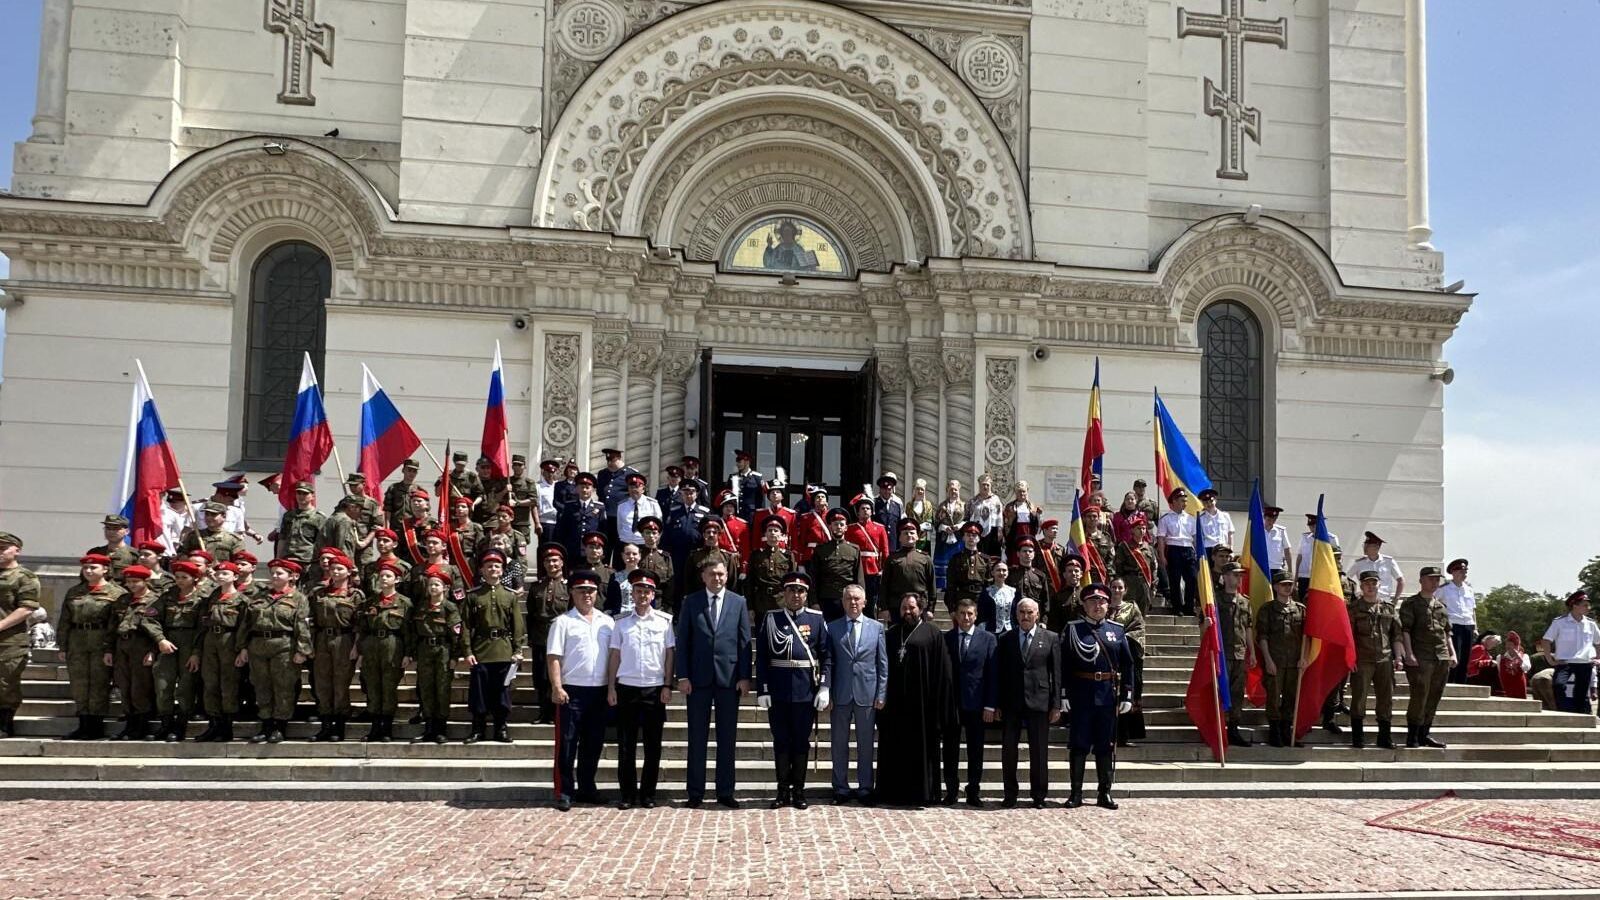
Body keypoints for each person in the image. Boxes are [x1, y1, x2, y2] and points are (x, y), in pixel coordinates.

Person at [674, 558, 752, 808]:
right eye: (712, 574)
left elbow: (744, 642)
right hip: (697, 681)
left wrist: (744, 676)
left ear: (727, 576)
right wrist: (682, 676)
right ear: (704, 577)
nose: (717, 578)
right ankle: (695, 792)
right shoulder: (691, 601)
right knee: (697, 738)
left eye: (720, 574)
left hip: (729, 680)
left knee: (727, 738)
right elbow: (683, 640)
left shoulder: (738, 602)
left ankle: (725, 791)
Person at [755, 571, 829, 809]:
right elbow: (764, 656)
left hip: (805, 691)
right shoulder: (771, 618)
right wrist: (763, 689)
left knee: (800, 742)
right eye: (791, 590)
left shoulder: (817, 619)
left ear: (806, 595)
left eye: (801, 591)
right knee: (781, 741)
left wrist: (824, 687)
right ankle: (781, 790)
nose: (796, 595)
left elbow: (826, 656)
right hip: (778, 690)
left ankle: (799, 790)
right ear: (783, 593)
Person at [876, 591, 956, 807]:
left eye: (911, 608)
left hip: (923, 706)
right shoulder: (892, 634)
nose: (907, 612)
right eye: (904, 608)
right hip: (895, 705)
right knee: (894, 749)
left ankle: (922, 794)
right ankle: (893, 793)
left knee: (921, 751)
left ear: (920, 609)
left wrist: (940, 705)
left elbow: (943, 673)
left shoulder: (933, 634)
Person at [1061, 584, 1136, 809]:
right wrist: (1063, 693)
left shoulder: (1116, 630)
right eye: (1092, 601)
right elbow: (1064, 664)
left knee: (1106, 745)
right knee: (1079, 744)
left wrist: (1127, 695)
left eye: (1102, 601)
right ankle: (1076, 793)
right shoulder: (1073, 629)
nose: (1098, 605)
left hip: (1107, 696)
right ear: (1084, 605)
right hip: (1081, 694)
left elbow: (1128, 664)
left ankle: (1104, 792)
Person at [547, 569, 615, 811]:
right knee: (567, 743)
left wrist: (611, 687)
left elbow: (613, 658)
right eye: (581, 590)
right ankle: (565, 790)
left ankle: (587, 787)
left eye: (591, 590)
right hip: (571, 691)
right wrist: (557, 686)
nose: (587, 594)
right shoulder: (563, 622)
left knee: (593, 743)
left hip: (598, 691)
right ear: (572, 593)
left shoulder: (607, 622)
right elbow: (554, 657)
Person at [607, 571, 674, 809]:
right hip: (627, 688)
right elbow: (615, 655)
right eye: (638, 591)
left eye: (647, 591)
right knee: (626, 746)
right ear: (632, 594)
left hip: (654, 690)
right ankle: (627, 794)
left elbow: (669, 656)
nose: (643, 595)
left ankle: (648, 794)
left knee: (652, 746)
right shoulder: (621, 623)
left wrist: (667, 685)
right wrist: (611, 686)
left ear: (653, 595)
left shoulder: (664, 622)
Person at [823, 584, 887, 805]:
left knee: (866, 744)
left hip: (867, 694)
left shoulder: (876, 628)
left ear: (865, 602)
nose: (853, 602)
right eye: (849, 598)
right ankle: (840, 788)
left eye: (857, 599)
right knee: (839, 743)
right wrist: (827, 691)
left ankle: (865, 788)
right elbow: (827, 663)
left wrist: (881, 693)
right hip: (840, 694)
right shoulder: (831, 627)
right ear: (842, 602)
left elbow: (882, 664)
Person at [996, 597, 1060, 808]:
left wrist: (1057, 704)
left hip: (1039, 701)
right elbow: (1001, 673)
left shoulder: (1050, 638)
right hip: (1012, 701)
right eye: (1022, 612)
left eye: (1029, 613)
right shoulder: (1006, 639)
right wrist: (997, 703)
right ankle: (1010, 794)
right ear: (1016, 614)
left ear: (1037, 614)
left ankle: (1039, 794)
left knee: (1039, 751)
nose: (1025, 616)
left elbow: (1056, 674)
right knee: (1009, 751)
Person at [238, 559, 311, 744]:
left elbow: (302, 626)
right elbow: (246, 624)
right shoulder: (259, 596)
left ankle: (280, 725)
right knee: (261, 685)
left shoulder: (298, 598)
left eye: (280, 573)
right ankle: (266, 724)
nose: (275, 576)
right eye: (273, 573)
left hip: (284, 645)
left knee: (283, 685)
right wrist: (242, 647)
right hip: (258, 645)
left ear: (291, 577)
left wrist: (302, 650)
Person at [59, 553, 126, 739]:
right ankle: (83, 723)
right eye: (86, 568)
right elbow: (65, 620)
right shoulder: (74, 591)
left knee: (99, 683)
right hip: (77, 640)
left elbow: (116, 624)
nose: (88, 571)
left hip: (101, 640)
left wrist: (110, 649)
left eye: (93, 567)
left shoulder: (116, 593)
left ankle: (96, 725)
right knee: (79, 683)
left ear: (105, 569)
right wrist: (63, 646)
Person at [461, 552, 526, 744]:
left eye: (497, 566)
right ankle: (478, 729)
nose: (493, 569)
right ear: (482, 570)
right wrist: (467, 651)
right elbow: (465, 625)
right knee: (479, 692)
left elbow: (517, 625)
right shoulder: (473, 595)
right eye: (488, 566)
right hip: (480, 650)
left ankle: (501, 728)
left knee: (502, 692)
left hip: (504, 650)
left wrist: (518, 649)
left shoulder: (510, 596)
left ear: (502, 570)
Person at [942, 597, 997, 806]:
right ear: (955, 615)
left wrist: (990, 705)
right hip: (953, 704)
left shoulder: (988, 639)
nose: (966, 617)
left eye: (970, 614)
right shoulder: (946, 639)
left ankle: (973, 790)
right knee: (950, 749)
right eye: (962, 613)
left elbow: (992, 674)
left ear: (976, 616)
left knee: (976, 750)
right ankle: (951, 790)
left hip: (977, 704)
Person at [306, 551, 363, 742]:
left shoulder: (355, 595)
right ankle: (325, 724)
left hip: (344, 640)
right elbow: (311, 620)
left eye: (340, 569)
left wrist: (357, 646)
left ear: (348, 572)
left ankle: (339, 726)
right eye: (333, 569)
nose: (336, 571)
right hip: (322, 639)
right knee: (322, 683)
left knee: (340, 684)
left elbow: (359, 624)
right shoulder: (318, 593)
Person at [191, 561, 249, 742]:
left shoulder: (242, 600)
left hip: (229, 641)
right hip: (210, 641)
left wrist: (242, 649)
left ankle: (226, 726)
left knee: (228, 684)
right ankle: (214, 723)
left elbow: (245, 627)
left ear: (235, 577)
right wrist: (196, 651)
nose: (220, 576)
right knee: (210, 683)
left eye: (225, 573)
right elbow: (201, 627)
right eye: (218, 573)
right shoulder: (210, 599)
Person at [407, 563, 464, 745]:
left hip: (443, 651)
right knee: (426, 689)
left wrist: (455, 656)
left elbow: (456, 634)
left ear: (446, 588)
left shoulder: (449, 608)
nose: (433, 588)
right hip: (425, 650)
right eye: (431, 584)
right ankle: (429, 727)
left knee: (441, 689)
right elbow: (414, 632)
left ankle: (441, 728)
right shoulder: (421, 607)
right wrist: (411, 653)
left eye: (437, 585)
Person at [1346, 570, 1403, 749]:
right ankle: (1358, 737)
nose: (1371, 587)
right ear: (1361, 586)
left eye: (1374, 583)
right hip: (1362, 659)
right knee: (1359, 698)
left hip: (1384, 659)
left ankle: (1384, 736)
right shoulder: (1354, 609)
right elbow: (1349, 637)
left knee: (1386, 699)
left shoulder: (1388, 608)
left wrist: (1399, 657)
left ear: (1379, 585)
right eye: (1367, 584)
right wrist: (1350, 659)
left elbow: (1396, 635)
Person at [1398, 565, 1454, 748]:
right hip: (1421, 656)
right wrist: (1409, 654)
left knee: (1434, 696)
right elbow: (1405, 630)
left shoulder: (1441, 606)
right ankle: (1412, 735)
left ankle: (1425, 733)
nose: (1434, 582)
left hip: (1441, 657)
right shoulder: (1411, 604)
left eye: (1437, 579)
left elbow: (1446, 633)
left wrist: (1452, 653)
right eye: (1430, 579)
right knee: (1419, 696)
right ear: (1421, 580)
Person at [152, 558, 204, 741]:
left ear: (194, 579)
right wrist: (160, 639)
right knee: (163, 685)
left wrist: (196, 653)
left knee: (186, 687)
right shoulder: (167, 596)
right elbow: (150, 619)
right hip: (168, 642)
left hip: (189, 644)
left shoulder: (202, 599)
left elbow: (202, 628)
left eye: (184, 577)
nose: (180, 580)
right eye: (178, 577)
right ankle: (165, 724)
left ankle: (180, 726)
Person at [111, 565, 164, 740]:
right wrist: (107, 650)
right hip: (122, 644)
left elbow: (159, 628)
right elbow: (112, 626)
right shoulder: (123, 600)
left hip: (142, 645)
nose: (131, 585)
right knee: (124, 685)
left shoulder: (155, 600)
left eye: (135, 581)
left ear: (146, 581)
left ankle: (142, 724)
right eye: (129, 582)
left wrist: (153, 651)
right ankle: (130, 723)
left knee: (140, 687)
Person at [0, 531, 42, 738]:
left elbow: (26, 607)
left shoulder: (25, 577)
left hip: (10, 641)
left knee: (5, 682)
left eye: (3, 548)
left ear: (16, 550)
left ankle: (4, 723)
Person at [1257, 569, 1305, 748]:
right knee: (1274, 698)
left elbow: (1306, 637)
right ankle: (1274, 731)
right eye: (1283, 585)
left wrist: (1304, 658)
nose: (1287, 588)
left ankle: (1287, 731)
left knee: (1291, 698)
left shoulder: (1300, 609)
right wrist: (1268, 660)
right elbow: (1262, 636)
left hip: (1294, 662)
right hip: (1275, 660)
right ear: (1276, 587)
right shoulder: (1267, 609)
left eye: (1290, 585)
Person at [526, 544, 570, 725]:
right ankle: (544, 712)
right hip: (541, 637)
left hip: (562, 638)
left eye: (555, 561)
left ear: (561, 563)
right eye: (548, 561)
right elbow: (530, 614)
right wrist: (530, 638)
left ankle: (558, 712)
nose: (551, 564)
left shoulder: (569, 586)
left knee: (560, 675)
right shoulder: (536, 587)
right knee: (542, 677)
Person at [1212, 562, 1254, 747]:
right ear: (1225, 576)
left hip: (1240, 653)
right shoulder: (1216, 599)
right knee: (1221, 692)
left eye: (1240, 575)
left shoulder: (1245, 601)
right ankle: (1218, 729)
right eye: (1235, 575)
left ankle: (1234, 729)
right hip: (1222, 653)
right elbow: (1207, 627)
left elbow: (1248, 628)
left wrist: (1251, 652)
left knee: (1237, 694)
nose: (1238, 578)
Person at [1539, 591, 1600, 716]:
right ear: (1575, 605)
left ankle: (1579, 719)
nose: (1588, 608)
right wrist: (1550, 660)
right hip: (1565, 662)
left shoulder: (1591, 624)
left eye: (1588, 605)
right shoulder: (1560, 622)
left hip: (1584, 663)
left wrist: (1598, 658)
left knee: (1581, 694)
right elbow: (1546, 641)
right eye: (1585, 605)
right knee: (1558, 686)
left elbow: (1598, 643)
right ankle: (1563, 712)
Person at [1106, 576, 1146, 747]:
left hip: (1127, 657)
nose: (1116, 590)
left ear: (1125, 590)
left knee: (1126, 696)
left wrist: (1121, 639)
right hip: (1107, 659)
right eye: (1113, 587)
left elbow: (1139, 629)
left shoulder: (1131, 608)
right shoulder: (1102, 607)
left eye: (1119, 587)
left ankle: (1124, 735)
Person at [808, 509, 863, 622]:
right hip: (825, 600)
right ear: (830, 527)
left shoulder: (854, 550)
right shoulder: (820, 550)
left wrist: (860, 600)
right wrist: (814, 602)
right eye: (835, 524)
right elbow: (814, 578)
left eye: (841, 524)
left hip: (847, 600)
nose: (838, 527)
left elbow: (859, 579)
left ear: (846, 528)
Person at [846, 496, 890, 616]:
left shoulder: (880, 528)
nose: (865, 510)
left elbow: (884, 551)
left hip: (873, 569)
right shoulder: (850, 529)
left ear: (872, 511)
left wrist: (883, 568)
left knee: (871, 601)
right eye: (862, 508)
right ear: (858, 512)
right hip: (857, 567)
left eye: (868, 508)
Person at [1156, 489, 1197, 616]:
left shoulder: (1191, 519)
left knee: (1192, 579)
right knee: (1175, 580)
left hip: (1188, 550)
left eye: (1185, 501)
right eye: (1181, 501)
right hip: (1174, 549)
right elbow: (1161, 539)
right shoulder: (1165, 519)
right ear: (1174, 501)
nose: (1184, 504)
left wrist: (1196, 553)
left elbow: (1195, 538)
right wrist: (1162, 556)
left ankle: (1189, 606)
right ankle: (1177, 607)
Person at [744, 518, 795, 621]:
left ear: (781, 535)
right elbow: (749, 583)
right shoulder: (756, 555)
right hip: (761, 603)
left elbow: (791, 582)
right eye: (770, 530)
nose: (773, 533)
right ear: (765, 534)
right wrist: (750, 607)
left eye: (776, 531)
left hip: (781, 603)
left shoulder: (787, 556)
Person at [883, 518, 935, 613]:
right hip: (896, 606)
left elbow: (932, 586)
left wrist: (931, 609)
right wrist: (884, 608)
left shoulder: (925, 558)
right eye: (905, 533)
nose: (909, 535)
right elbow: (884, 585)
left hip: (920, 605)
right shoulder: (892, 559)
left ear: (917, 537)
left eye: (912, 533)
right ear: (899, 538)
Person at [1438, 558, 1476, 683]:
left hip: (1468, 624)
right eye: (1461, 570)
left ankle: (1461, 683)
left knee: (1466, 658)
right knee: (1455, 656)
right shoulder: (1444, 588)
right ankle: (1450, 682)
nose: (1464, 573)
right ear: (1453, 572)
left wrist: (1475, 627)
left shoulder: (1469, 589)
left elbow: (1472, 610)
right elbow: (1435, 605)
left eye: (1465, 571)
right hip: (1453, 624)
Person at [271, 481, 325, 571]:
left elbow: (322, 543)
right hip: (288, 560)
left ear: (312, 496)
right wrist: (278, 560)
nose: (301, 496)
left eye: (305, 493)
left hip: (308, 562)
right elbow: (282, 539)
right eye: (299, 493)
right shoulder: (289, 515)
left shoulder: (319, 517)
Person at [942, 522, 992, 615]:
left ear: (978, 538)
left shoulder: (985, 559)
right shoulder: (956, 559)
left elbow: (989, 584)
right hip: (962, 598)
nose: (971, 538)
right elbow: (950, 585)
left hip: (980, 599)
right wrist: (952, 608)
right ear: (963, 538)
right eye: (968, 535)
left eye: (974, 535)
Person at [1114, 514, 1158, 613]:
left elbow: (1153, 567)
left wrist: (1154, 586)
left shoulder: (1149, 548)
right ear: (1132, 530)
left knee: (1143, 611)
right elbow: (1118, 567)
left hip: (1144, 582)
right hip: (1130, 581)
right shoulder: (1124, 546)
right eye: (1139, 528)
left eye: (1144, 528)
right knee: (1128, 611)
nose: (1142, 531)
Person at [615, 472, 662, 563]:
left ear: (643, 489)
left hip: (644, 545)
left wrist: (654, 544)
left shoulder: (652, 504)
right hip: (625, 545)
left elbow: (659, 527)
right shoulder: (622, 505)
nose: (633, 490)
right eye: (631, 487)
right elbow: (619, 527)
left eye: (636, 487)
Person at [1347, 531, 1404, 602]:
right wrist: (1353, 595)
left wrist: (1396, 598)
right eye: (1364, 545)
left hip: (1385, 600)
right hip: (1365, 601)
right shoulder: (1359, 563)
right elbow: (1347, 579)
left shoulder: (1388, 561)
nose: (1364, 548)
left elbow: (1400, 580)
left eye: (1367, 546)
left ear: (1376, 547)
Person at [87, 515, 138, 579]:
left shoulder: (134, 555)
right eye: (108, 528)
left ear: (127, 531)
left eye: (115, 528)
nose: (111, 532)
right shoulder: (95, 553)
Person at [965, 475, 1003, 556]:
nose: (985, 487)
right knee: (978, 554)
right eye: (983, 484)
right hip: (977, 531)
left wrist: (1000, 530)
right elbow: (967, 517)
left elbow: (999, 516)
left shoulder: (996, 499)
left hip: (993, 531)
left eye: (987, 485)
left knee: (992, 555)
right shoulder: (973, 501)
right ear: (979, 485)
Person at [978, 560, 1018, 635]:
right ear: (992, 573)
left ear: (1008, 573)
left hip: (1011, 631)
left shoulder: (1014, 592)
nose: (1001, 573)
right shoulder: (986, 592)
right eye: (998, 570)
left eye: (1004, 570)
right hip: (991, 631)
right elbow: (981, 614)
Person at [1000, 480, 1042, 550]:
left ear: (1027, 492)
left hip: (1028, 533)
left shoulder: (1032, 506)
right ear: (1016, 493)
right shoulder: (1010, 506)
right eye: (1019, 491)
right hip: (1015, 534)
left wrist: (1038, 514)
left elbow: (1036, 522)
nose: (1022, 493)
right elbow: (1005, 523)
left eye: (1024, 491)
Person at [382, 459, 424, 527]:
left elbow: (424, 512)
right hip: (396, 527)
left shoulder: (420, 490)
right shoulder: (393, 488)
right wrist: (387, 528)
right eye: (409, 470)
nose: (411, 473)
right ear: (403, 470)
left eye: (414, 471)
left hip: (413, 529)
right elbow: (388, 511)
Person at [871, 473, 905, 551]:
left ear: (893, 489)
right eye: (884, 489)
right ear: (880, 489)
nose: (887, 492)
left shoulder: (897, 504)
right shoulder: (874, 504)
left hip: (893, 546)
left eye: (889, 489)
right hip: (878, 545)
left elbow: (900, 525)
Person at [1499, 631, 1531, 699]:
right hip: (1506, 687)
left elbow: (1526, 668)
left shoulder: (1524, 656)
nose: (1508, 646)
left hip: (1519, 687)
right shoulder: (1500, 657)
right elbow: (1499, 671)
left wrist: (1519, 658)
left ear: (1516, 646)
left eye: (1511, 644)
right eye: (1507, 644)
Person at [904, 478, 934, 553]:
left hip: (924, 539)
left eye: (922, 489)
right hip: (911, 537)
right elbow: (907, 521)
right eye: (918, 489)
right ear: (914, 490)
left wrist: (920, 527)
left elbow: (929, 522)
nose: (920, 491)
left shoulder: (928, 505)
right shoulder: (909, 505)